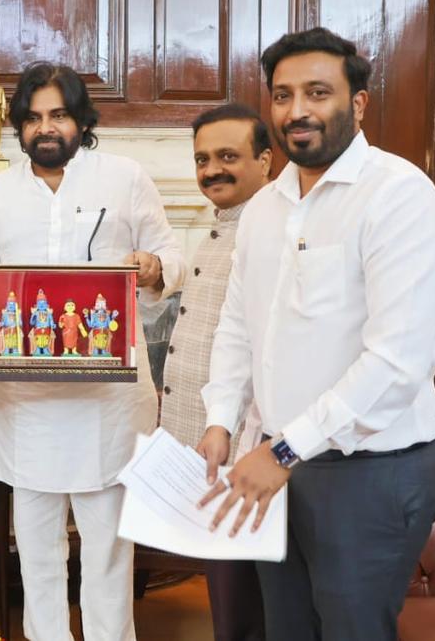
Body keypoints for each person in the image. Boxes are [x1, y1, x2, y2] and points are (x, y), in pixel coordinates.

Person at [199, 27, 435, 640]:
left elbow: (396, 363)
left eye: (318, 92)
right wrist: (220, 418)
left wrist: (285, 450)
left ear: (358, 103)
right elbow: (239, 322)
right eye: (283, 95)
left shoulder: (399, 197)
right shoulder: (266, 206)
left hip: (368, 475)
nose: (298, 110)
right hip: (277, 469)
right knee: (285, 631)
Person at [0, 62, 184, 641]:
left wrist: (156, 267)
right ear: (18, 128)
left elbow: (173, 258)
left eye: (58, 114)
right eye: (33, 118)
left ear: (81, 118)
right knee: (36, 552)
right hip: (24, 403)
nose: (46, 128)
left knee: (109, 552)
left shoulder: (125, 178)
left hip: (107, 404)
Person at [158, 104, 272, 641]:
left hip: (251, 451)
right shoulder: (222, 227)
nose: (212, 170)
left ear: (266, 160)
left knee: (247, 605)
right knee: (228, 597)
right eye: (202, 159)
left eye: (228, 156)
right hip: (216, 446)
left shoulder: (270, 231)